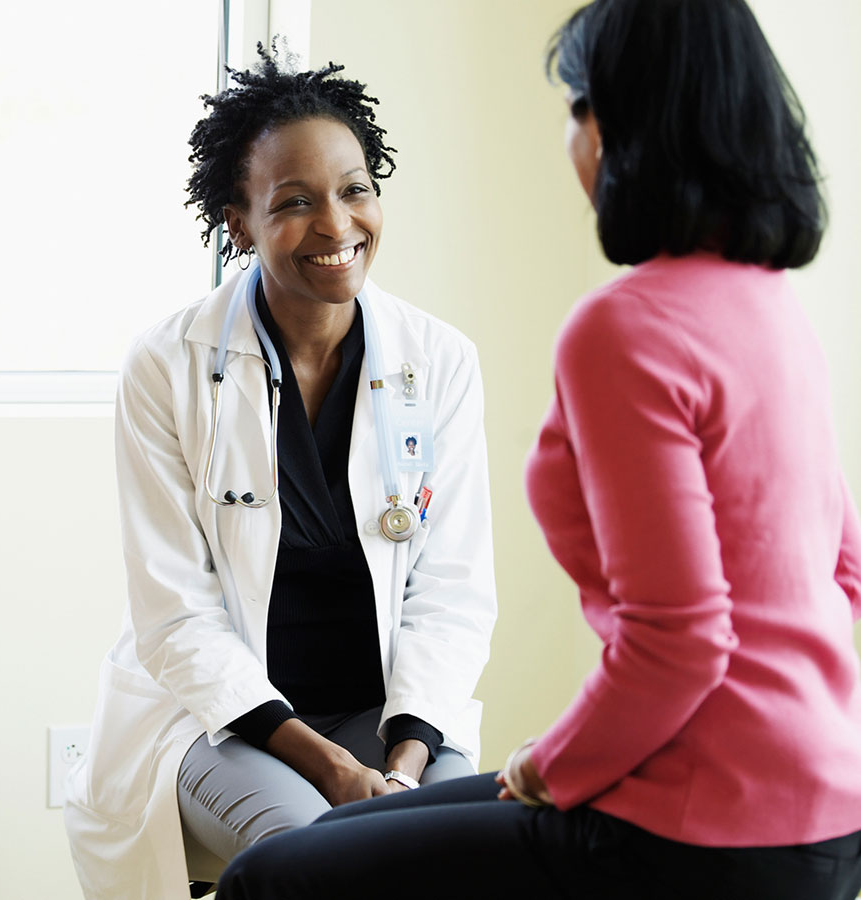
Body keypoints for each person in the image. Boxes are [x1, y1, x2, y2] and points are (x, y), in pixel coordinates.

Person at [213, 2, 861, 899]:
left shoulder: (625, 328)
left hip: (695, 824)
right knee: (335, 839)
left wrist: (549, 763)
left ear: (616, 129)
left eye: (576, 108)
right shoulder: (773, 308)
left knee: (269, 881)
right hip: (824, 804)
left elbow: (679, 643)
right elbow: (842, 570)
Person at [63, 45, 496, 900]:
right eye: (295, 203)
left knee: (467, 861)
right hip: (220, 723)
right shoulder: (167, 365)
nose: (337, 226)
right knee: (312, 858)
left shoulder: (437, 361)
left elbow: (452, 591)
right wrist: (331, 766)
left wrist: (404, 764)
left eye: (356, 190)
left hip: (393, 718)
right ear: (239, 223)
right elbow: (176, 616)